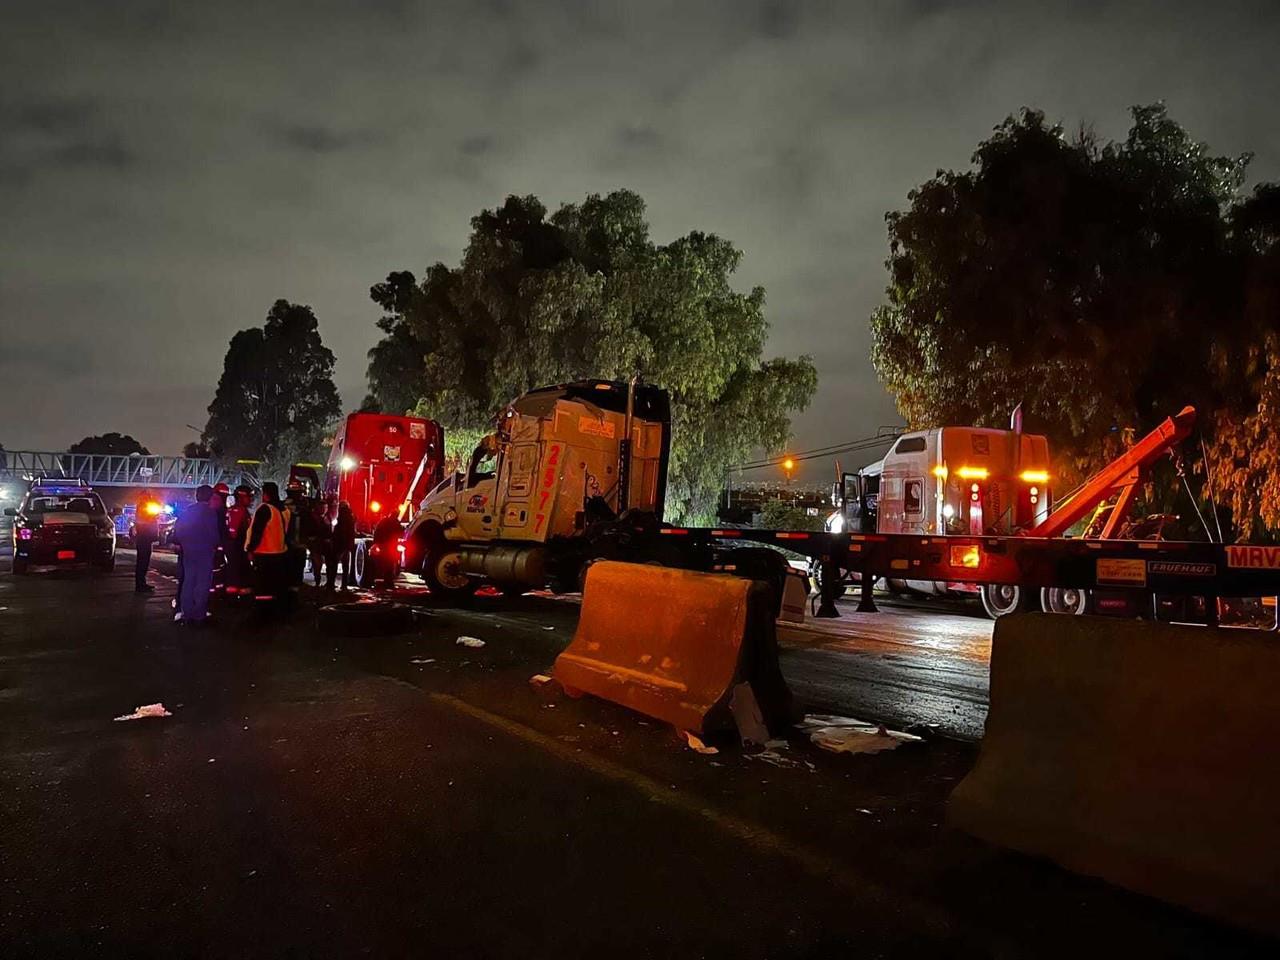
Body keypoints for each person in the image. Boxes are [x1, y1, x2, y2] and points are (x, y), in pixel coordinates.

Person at [171, 485, 221, 625]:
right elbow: (213, 534)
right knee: (202, 583)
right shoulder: (209, 513)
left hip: (189, 551)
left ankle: (187, 614)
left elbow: (178, 530)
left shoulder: (188, 511)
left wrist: (184, 544)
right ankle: (199, 615)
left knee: (188, 582)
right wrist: (215, 545)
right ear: (210, 497)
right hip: (204, 551)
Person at [246, 482, 291, 613]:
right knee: (274, 585)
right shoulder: (285, 510)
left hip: (264, 553)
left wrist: (250, 549)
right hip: (280, 552)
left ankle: (262, 612)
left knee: (262, 586)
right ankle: (275, 610)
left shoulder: (265, 509)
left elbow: (257, 532)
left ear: (266, 494)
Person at [224, 485, 254, 596]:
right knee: (240, 572)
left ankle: (234, 596)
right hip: (238, 549)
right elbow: (234, 532)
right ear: (241, 497)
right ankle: (238, 598)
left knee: (234, 572)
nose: (250, 499)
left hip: (235, 548)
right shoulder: (239, 511)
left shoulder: (233, 510)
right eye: (248, 497)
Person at [133, 488, 160, 593]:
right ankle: (140, 585)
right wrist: (152, 517)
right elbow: (144, 522)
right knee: (143, 562)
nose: (149, 497)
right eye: (148, 495)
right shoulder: (143, 507)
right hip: (144, 538)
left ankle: (141, 583)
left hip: (145, 538)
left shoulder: (143, 507)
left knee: (143, 562)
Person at [305, 498, 332, 588]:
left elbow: (330, 530)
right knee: (317, 563)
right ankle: (317, 581)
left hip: (326, 544)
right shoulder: (313, 517)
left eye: (325, 508)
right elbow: (310, 529)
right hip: (316, 544)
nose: (324, 509)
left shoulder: (328, 517)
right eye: (322, 508)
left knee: (328, 563)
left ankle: (328, 582)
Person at [329, 501, 357, 591]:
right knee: (345, 566)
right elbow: (351, 532)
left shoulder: (342, 517)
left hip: (340, 545)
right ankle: (343, 585)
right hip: (346, 545)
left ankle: (331, 584)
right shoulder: (350, 517)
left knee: (334, 565)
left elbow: (339, 532)